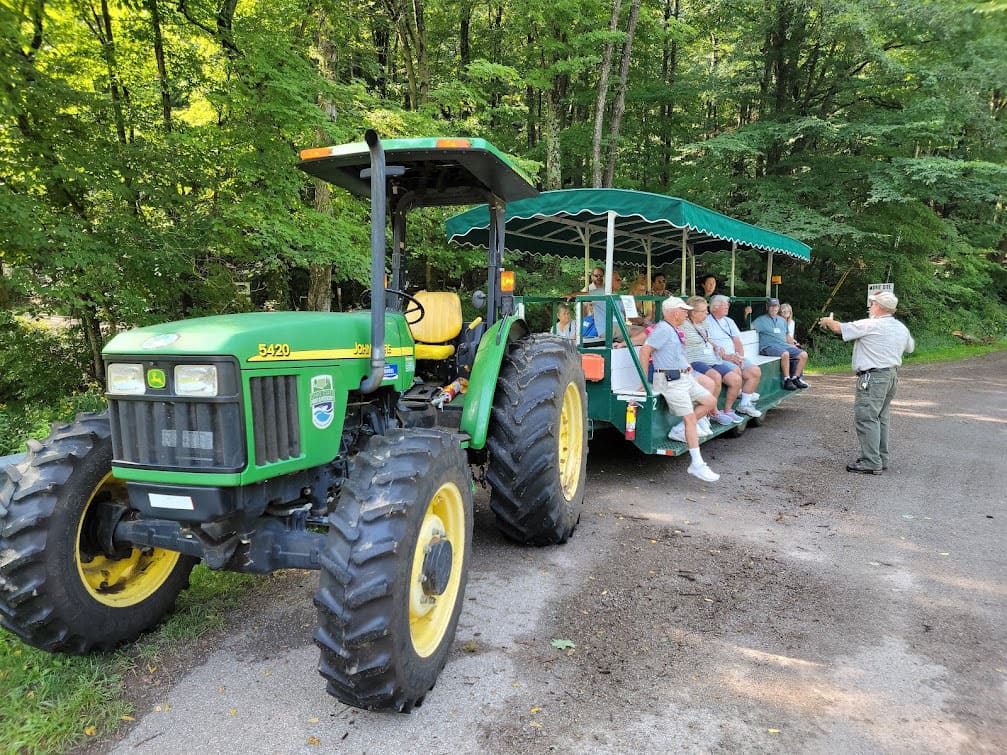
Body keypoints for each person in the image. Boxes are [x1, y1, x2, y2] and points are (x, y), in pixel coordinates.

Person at [818, 291, 915, 474]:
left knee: (867, 417)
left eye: (872, 304)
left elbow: (840, 328)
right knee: (881, 417)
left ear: (878, 306)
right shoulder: (901, 328)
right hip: (891, 375)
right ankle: (880, 458)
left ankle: (871, 461)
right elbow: (910, 348)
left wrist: (828, 322)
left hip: (874, 376)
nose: (870, 306)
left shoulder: (871, 324)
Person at [638, 296, 720, 482]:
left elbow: (675, 353)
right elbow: (645, 350)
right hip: (668, 379)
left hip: (683, 376)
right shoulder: (663, 329)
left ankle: (679, 430)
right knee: (690, 418)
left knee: (710, 401)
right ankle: (697, 464)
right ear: (675, 312)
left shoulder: (674, 329)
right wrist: (643, 379)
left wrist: (686, 366)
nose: (687, 313)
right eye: (684, 310)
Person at [682, 296, 744, 426]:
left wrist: (716, 346)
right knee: (715, 376)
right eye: (704, 311)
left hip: (711, 358)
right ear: (693, 313)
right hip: (695, 360)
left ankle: (727, 410)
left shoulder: (704, 323)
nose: (707, 313)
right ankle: (713, 412)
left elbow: (707, 338)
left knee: (736, 379)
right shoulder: (684, 325)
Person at [706, 295, 763, 417]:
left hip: (734, 357)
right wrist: (727, 357)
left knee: (755, 371)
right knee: (736, 371)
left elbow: (737, 342)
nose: (727, 307)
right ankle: (729, 407)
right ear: (714, 307)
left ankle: (744, 404)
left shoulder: (729, 321)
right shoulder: (706, 322)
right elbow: (709, 345)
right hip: (718, 359)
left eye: (727, 305)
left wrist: (740, 357)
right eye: (724, 305)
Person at [753, 298, 809, 390]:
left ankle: (796, 378)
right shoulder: (761, 320)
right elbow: (749, 327)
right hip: (768, 346)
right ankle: (787, 380)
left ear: (778, 307)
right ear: (767, 307)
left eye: (775, 306)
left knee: (803, 354)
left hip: (783, 345)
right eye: (771, 306)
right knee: (785, 354)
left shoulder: (782, 320)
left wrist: (793, 345)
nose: (773, 308)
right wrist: (746, 315)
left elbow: (787, 335)